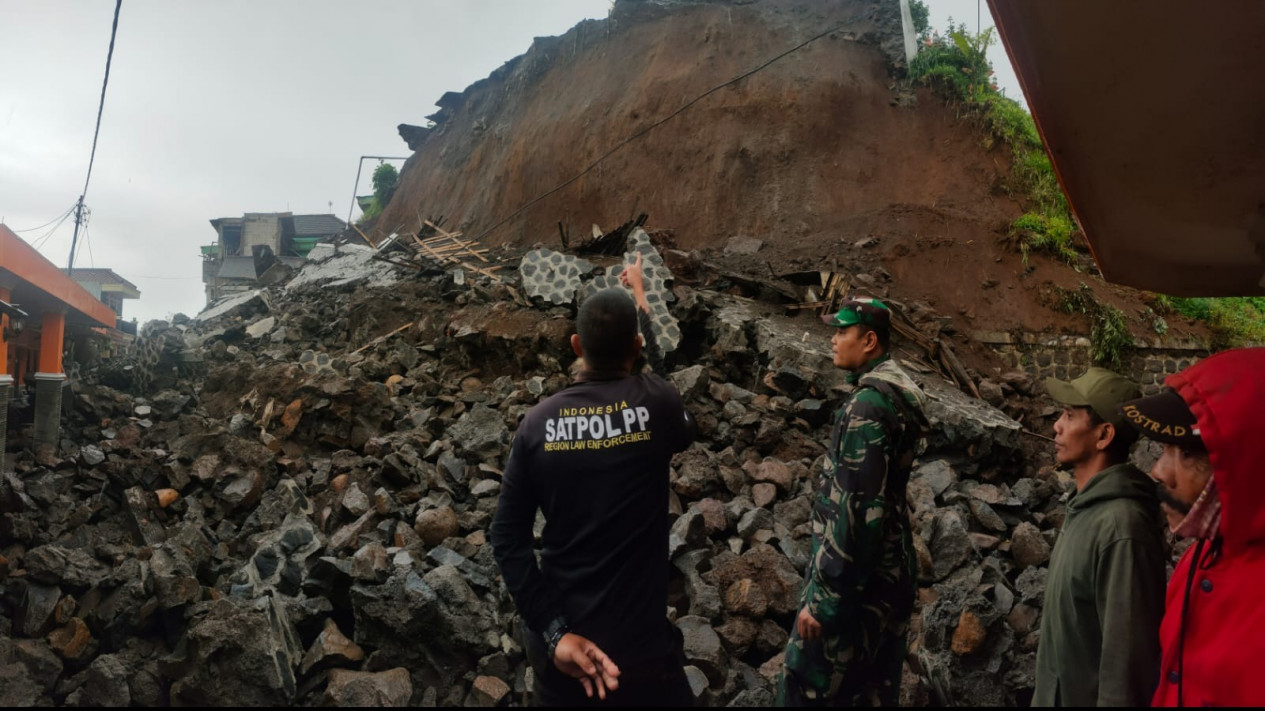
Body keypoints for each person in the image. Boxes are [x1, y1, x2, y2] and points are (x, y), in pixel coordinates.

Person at [490, 253, 696, 706]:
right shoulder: (658, 406)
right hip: (642, 655)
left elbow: (506, 539)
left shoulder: (536, 425)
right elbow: (665, 379)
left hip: (567, 658)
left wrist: (554, 631)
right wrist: (642, 297)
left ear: (576, 345)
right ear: (637, 347)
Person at [778, 297, 928, 706]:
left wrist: (825, 602)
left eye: (843, 331)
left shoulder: (866, 408)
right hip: (887, 578)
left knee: (808, 686)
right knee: (870, 690)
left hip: (857, 588)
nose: (834, 339)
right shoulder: (893, 396)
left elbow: (859, 513)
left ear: (869, 341)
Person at [1116, 347, 1265, 707]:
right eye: (1164, 448)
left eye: (1186, 451)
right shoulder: (1195, 561)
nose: (1159, 471)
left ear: (1246, 464)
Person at [1031, 367, 1165, 706]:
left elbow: (1126, 669)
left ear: (1104, 435)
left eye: (1070, 415)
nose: (1056, 426)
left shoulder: (1122, 527)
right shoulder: (1085, 508)